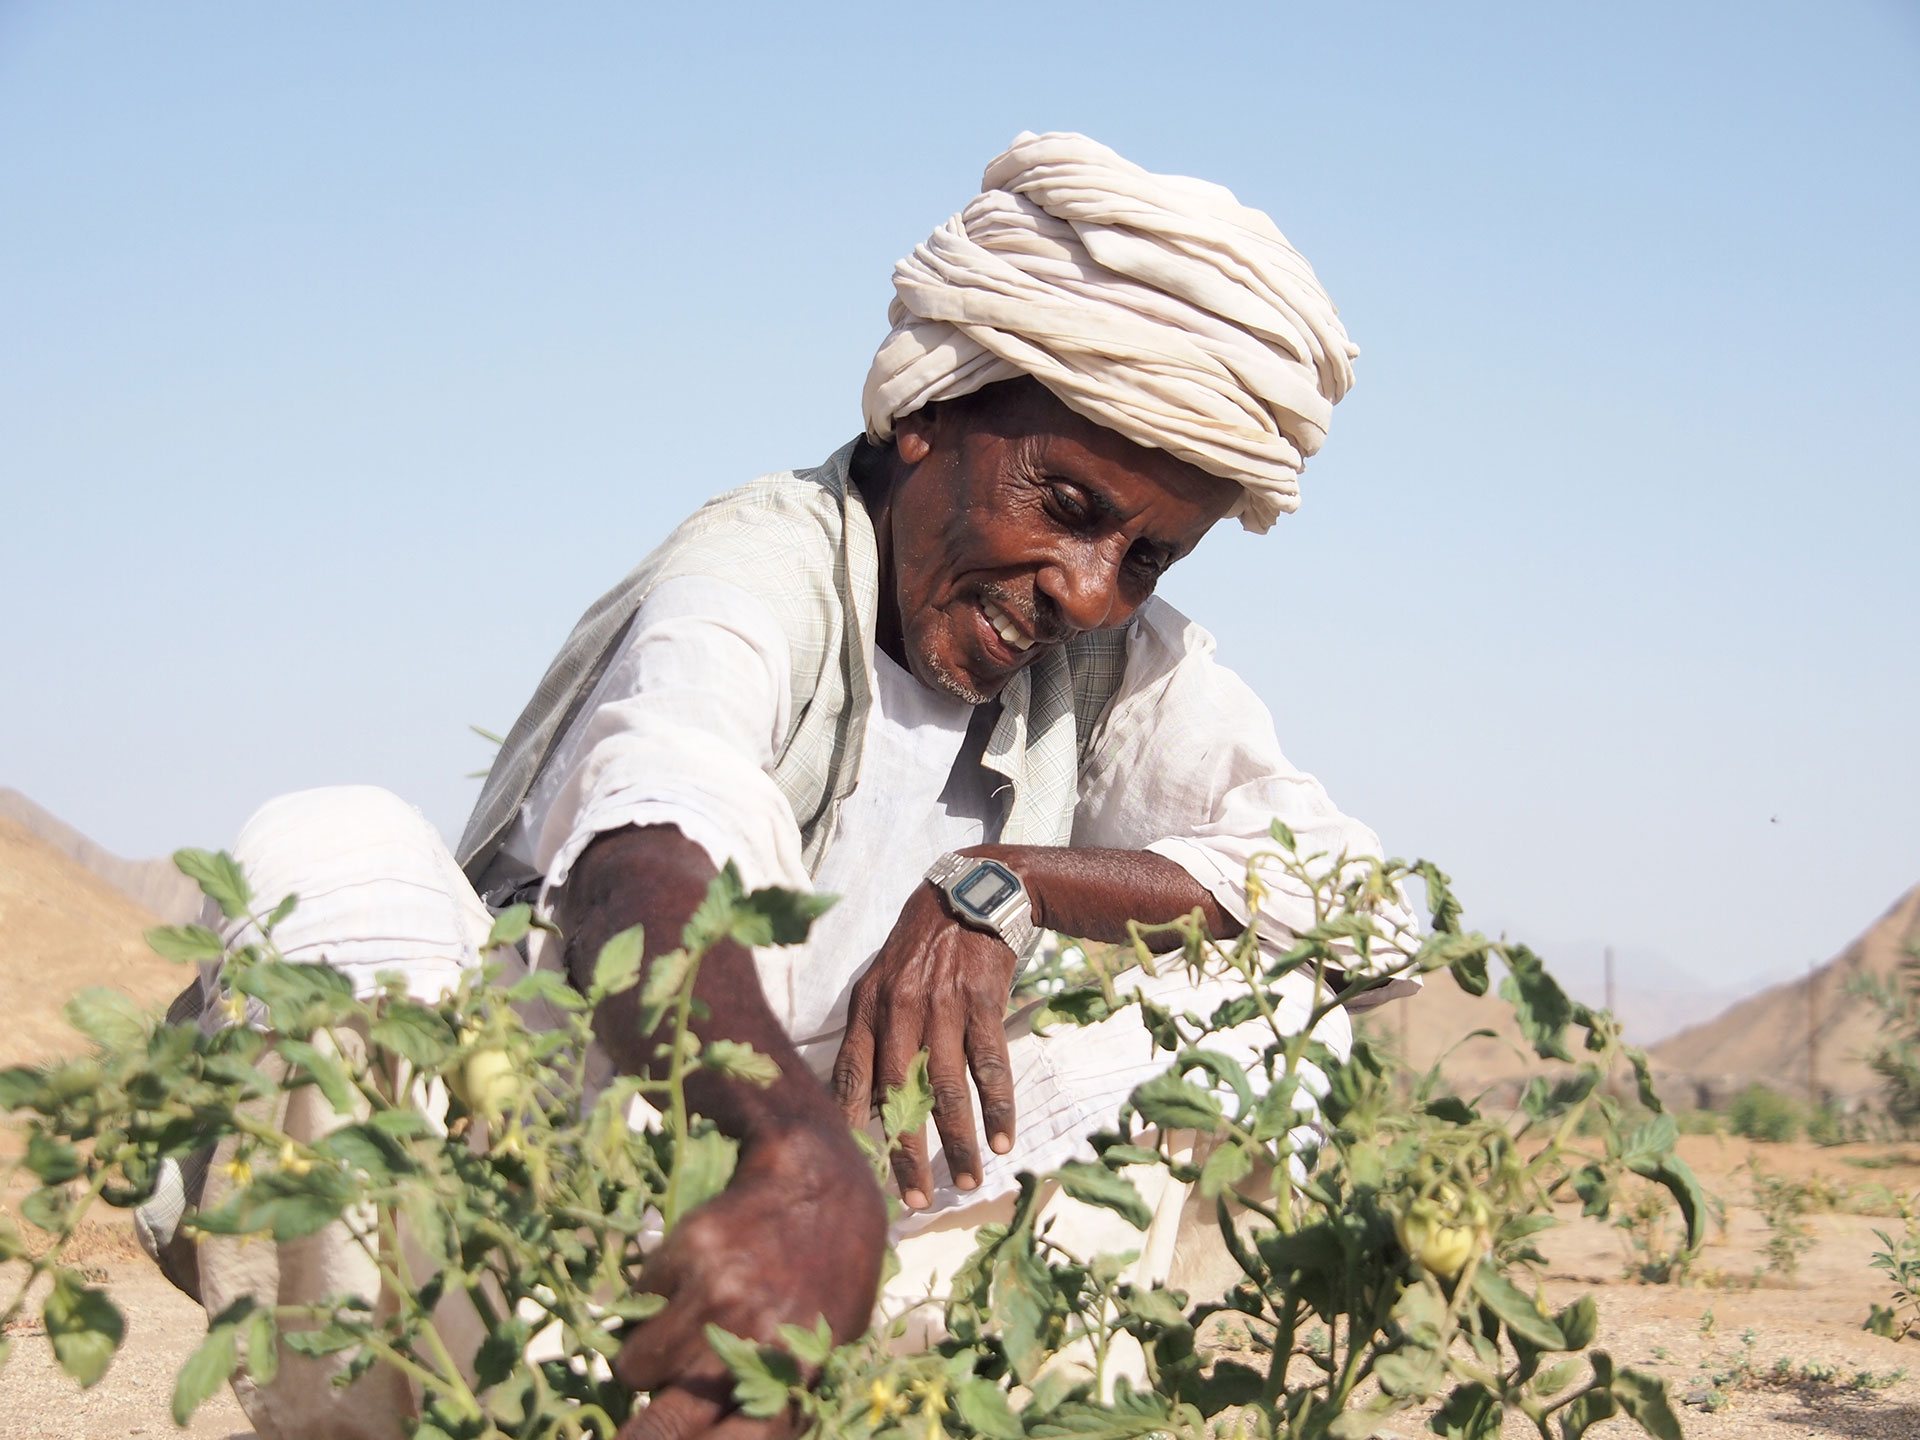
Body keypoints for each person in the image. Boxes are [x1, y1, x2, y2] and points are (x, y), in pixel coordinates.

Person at [142, 130, 1416, 1440]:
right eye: (1070, 504)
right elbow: (652, 845)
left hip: (854, 1252)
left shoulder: (1106, 661)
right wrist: (789, 1162)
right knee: (327, 864)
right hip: (541, 1210)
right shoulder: (764, 566)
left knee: (1250, 1000)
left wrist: (999, 887)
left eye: (1147, 558)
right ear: (927, 414)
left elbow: (1357, 903)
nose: (1091, 591)